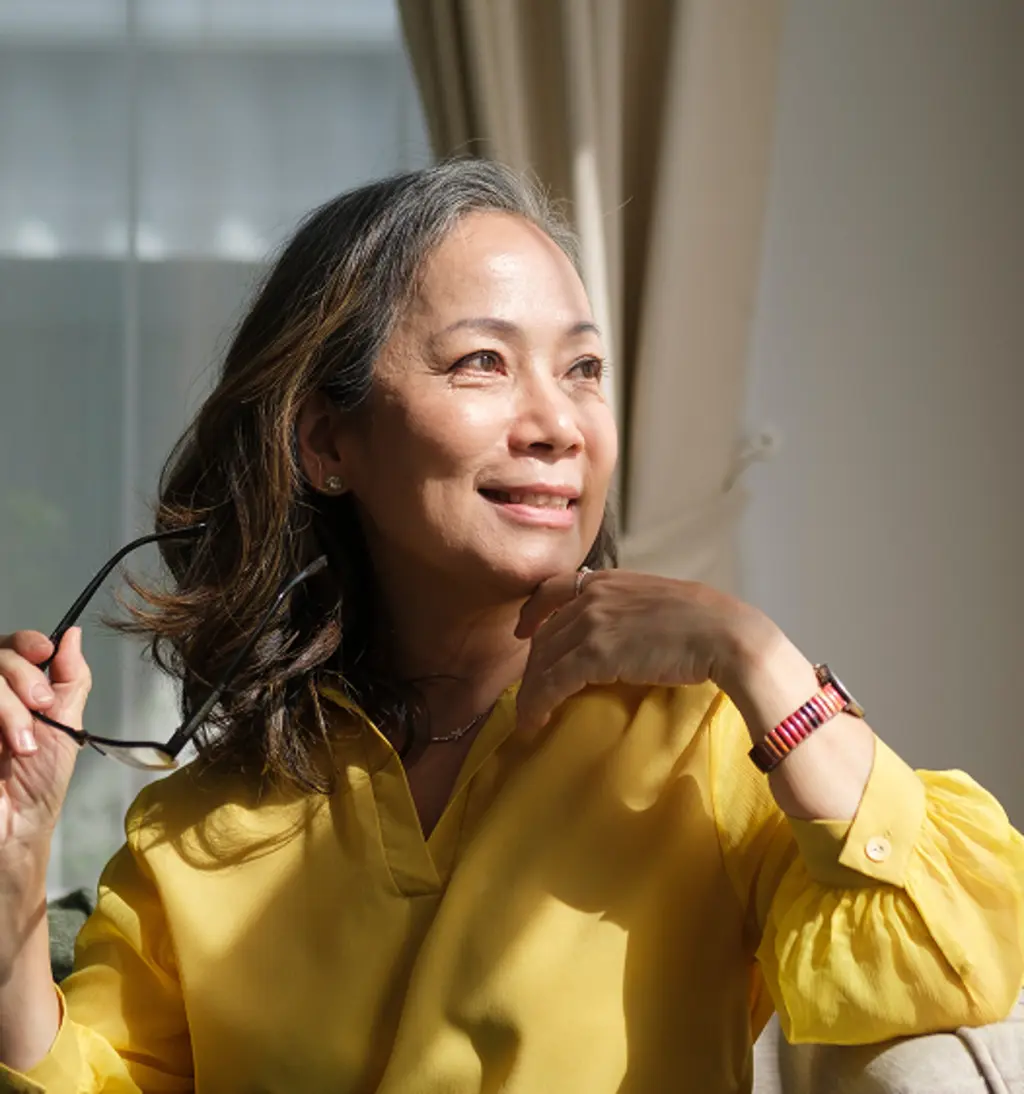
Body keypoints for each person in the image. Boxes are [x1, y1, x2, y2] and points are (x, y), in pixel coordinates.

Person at [0, 159, 1021, 1094]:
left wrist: (755, 655)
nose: (557, 423)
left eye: (581, 369)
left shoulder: (701, 745)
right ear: (326, 442)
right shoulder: (196, 827)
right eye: (484, 361)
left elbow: (952, 962)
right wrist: (15, 889)